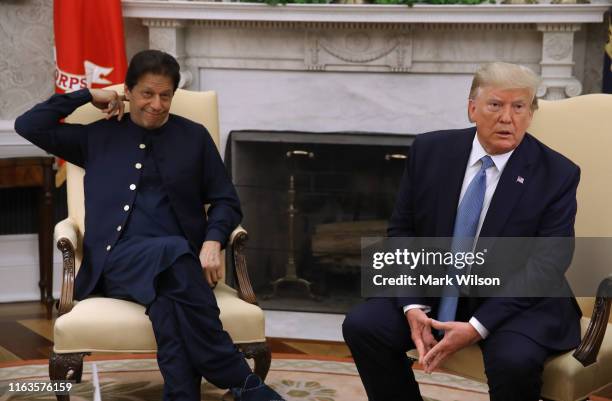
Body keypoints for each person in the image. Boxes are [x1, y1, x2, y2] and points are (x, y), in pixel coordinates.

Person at [15, 50, 284, 401]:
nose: (157, 104)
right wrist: (87, 94)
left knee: (169, 310)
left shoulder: (194, 137)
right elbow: (28, 125)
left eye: (165, 95)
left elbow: (226, 200)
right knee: (174, 251)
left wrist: (212, 241)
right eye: (147, 93)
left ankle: (181, 395)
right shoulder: (96, 137)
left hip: (178, 269)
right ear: (128, 91)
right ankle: (237, 377)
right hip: (116, 263)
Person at [342, 62, 582, 401]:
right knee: (363, 325)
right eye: (496, 105)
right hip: (436, 290)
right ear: (472, 108)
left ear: (531, 114)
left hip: (517, 302)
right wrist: (412, 305)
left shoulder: (557, 174)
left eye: (519, 107)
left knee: (513, 361)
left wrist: (476, 326)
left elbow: (547, 264)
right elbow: (403, 231)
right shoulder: (429, 151)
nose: (507, 118)